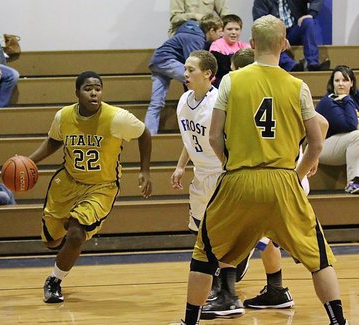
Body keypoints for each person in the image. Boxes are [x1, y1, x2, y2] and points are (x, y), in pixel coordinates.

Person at [175, 15, 347, 325]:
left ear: (251, 45)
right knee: (320, 259)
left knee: (204, 255)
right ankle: (338, 320)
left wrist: (230, 165)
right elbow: (317, 143)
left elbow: (214, 136)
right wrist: (296, 175)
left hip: (239, 178)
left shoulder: (230, 80)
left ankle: (191, 321)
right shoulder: (298, 86)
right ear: (284, 44)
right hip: (283, 178)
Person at [27, 71, 152, 304]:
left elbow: (145, 134)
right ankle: (67, 235)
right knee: (51, 242)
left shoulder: (117, 118)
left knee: (75, 234)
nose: (94, 92)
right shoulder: (63, 116)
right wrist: (30, 161)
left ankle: (54, 280)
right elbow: (55, 139)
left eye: (98, 88)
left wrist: (144, 171)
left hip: (101, 187)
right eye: (88, 88)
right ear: (77, 93)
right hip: (67, 182)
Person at [170, 49, 243, 318]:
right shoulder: (183, 101)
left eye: (191, 70)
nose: (185, 73)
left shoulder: (218, 104)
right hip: (200, 175)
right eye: (185, 69)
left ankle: (230, 294)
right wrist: (181, 165)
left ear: (209, 75)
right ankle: (219, 288)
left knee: (219, 236)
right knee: (201, 233)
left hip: (220, 174)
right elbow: (189, 138)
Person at [144, 14, 223, 135]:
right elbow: (192, 63)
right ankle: (203, 123)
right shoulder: (196, 38)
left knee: (156, 103)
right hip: (167, 60)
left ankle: (149, 135)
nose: (221, 35)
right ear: (211, 30)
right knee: (199, 80)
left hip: (157, 61)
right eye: (220, 31)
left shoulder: (190, 30)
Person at [316, 65, 359, 194]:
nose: (341, 84)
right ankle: (353, 182)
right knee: (358, 135)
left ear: (351, 83)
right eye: (337, 81)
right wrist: (347, 99)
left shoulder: (354, 98)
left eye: (345, 80)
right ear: (332, 83)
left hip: (344, 145)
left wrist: (349, 99)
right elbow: (350, 125)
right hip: (321, 148)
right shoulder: (328, 102)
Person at [252, 0, 330, 72]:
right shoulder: (261, 1)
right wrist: (281, 38)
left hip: (294, 30)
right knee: (268, 41)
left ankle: (313, 64)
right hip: (275, 35)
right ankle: (294, 67)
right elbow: (261, 25)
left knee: (308, 22)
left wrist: (311, 14)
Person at [209, 14, 250, 87]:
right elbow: (219, 68)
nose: (233, 32)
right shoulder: (216, 45)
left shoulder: (245, 46)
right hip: (222, 82)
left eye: (237, 29)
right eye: (229, 29)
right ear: (222, 31)